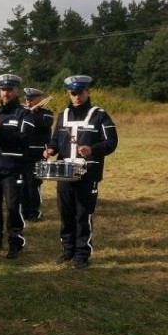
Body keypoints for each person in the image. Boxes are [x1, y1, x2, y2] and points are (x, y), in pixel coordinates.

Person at [45, 75, 118, 269]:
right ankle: (68, 250)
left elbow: (111, 143)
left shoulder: (99, 115)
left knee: (83, 215)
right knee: (66, 214)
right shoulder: (63, 115)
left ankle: (82, 254)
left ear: (88, 92)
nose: (76, 96)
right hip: (64, 172)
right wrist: (50, 150)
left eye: (80, 92)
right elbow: (55, 141)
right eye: (73, 93)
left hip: (88, 174)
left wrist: (92, 149)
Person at [0, 74, 32, 259]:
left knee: (13, 207)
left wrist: (1, 130)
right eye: (4, 90)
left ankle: (15, 242)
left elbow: (24, 140)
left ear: (17, 91)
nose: (6, 93)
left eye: (10, 89)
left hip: (13, 167)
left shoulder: (24, 113)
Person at [21, 88, 54, 222]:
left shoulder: (47, 114)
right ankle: (24, 211)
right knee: (22, 185)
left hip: (38, 154)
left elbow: (40, 125)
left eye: (32, 99)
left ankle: (34, 212)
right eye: (27, 99)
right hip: (24, 154)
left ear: (39, 99)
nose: (29, 102)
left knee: (33, 184)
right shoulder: (24, 113)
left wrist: (30, 113)